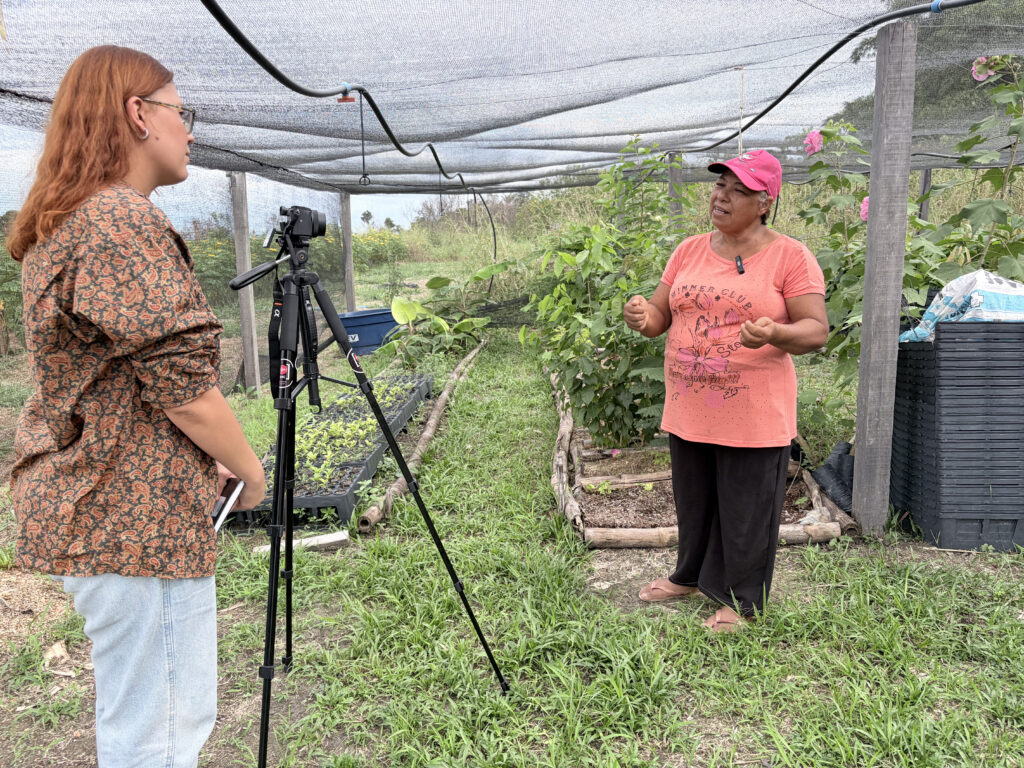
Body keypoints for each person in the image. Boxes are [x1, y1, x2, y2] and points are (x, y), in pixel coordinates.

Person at [7, 45, 267, 766]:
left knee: (144, 720)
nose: (189, 130)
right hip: (131, 522)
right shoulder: (117, 221)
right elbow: (184, 388)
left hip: (102, 505)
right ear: (138, 114)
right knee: (161, 733)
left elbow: (124, 382)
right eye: (181, 112)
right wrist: (249, 468)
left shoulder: (67, 221)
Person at [623, 150, 827, 632]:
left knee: (746, 511)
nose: (722, 196)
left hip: (754, 412)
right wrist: (641, 316)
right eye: (720, 185)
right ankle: (689, 576)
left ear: (764, 202)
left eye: (738, 190)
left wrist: (775, 333)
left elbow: (816, 331)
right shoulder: (689, 250)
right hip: (690, 405)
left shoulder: (790, 256)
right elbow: (659, 318)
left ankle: (743, 602)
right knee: (695, 502)